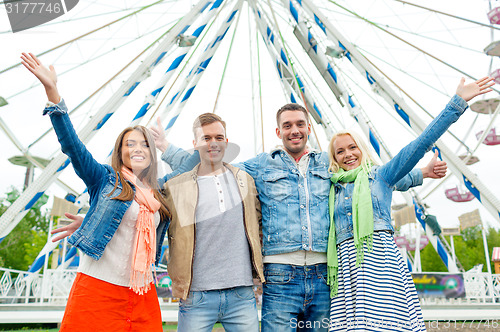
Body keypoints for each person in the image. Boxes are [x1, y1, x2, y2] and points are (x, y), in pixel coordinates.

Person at [154, 105, 448, 331]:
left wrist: (420, 174)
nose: (293, 130)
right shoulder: (260, 166)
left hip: (323, 275)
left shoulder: (330, 162)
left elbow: (371, 178)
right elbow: (212, 161)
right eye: (287, 126)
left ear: (308, 128)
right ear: (278, 132)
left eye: (299, 125)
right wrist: (168, 149)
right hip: (281, 276)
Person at [21, 52, 198, 331]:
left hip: (141, 292)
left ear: (151, 154)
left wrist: (165, 144)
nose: (137, 148)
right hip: (97, 289)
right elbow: (73, 147)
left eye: (144, 144)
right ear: (120, 152)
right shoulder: (104, 180)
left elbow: (195, 165)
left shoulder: (160, 192)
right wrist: (53, 93)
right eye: (130, 144)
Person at [326, 76, 494, 331]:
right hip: (346, 267)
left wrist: (457, 103)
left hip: (378, 260)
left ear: (361, 149)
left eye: (353, 148)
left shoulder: (380, 175)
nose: (348, 154)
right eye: (340, 151)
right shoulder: (331, 186)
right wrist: (423, 174)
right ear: (334, 158)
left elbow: (418, 146)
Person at [163, 113, 264, 331]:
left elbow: (259, 225)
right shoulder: (175, 187)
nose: (213, 143)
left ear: (226, 142)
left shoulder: (245, 180)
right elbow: (146, 216)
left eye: (219, 137)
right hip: (196, 294)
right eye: (206, 138)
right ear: (195, 144)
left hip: (241, 292)